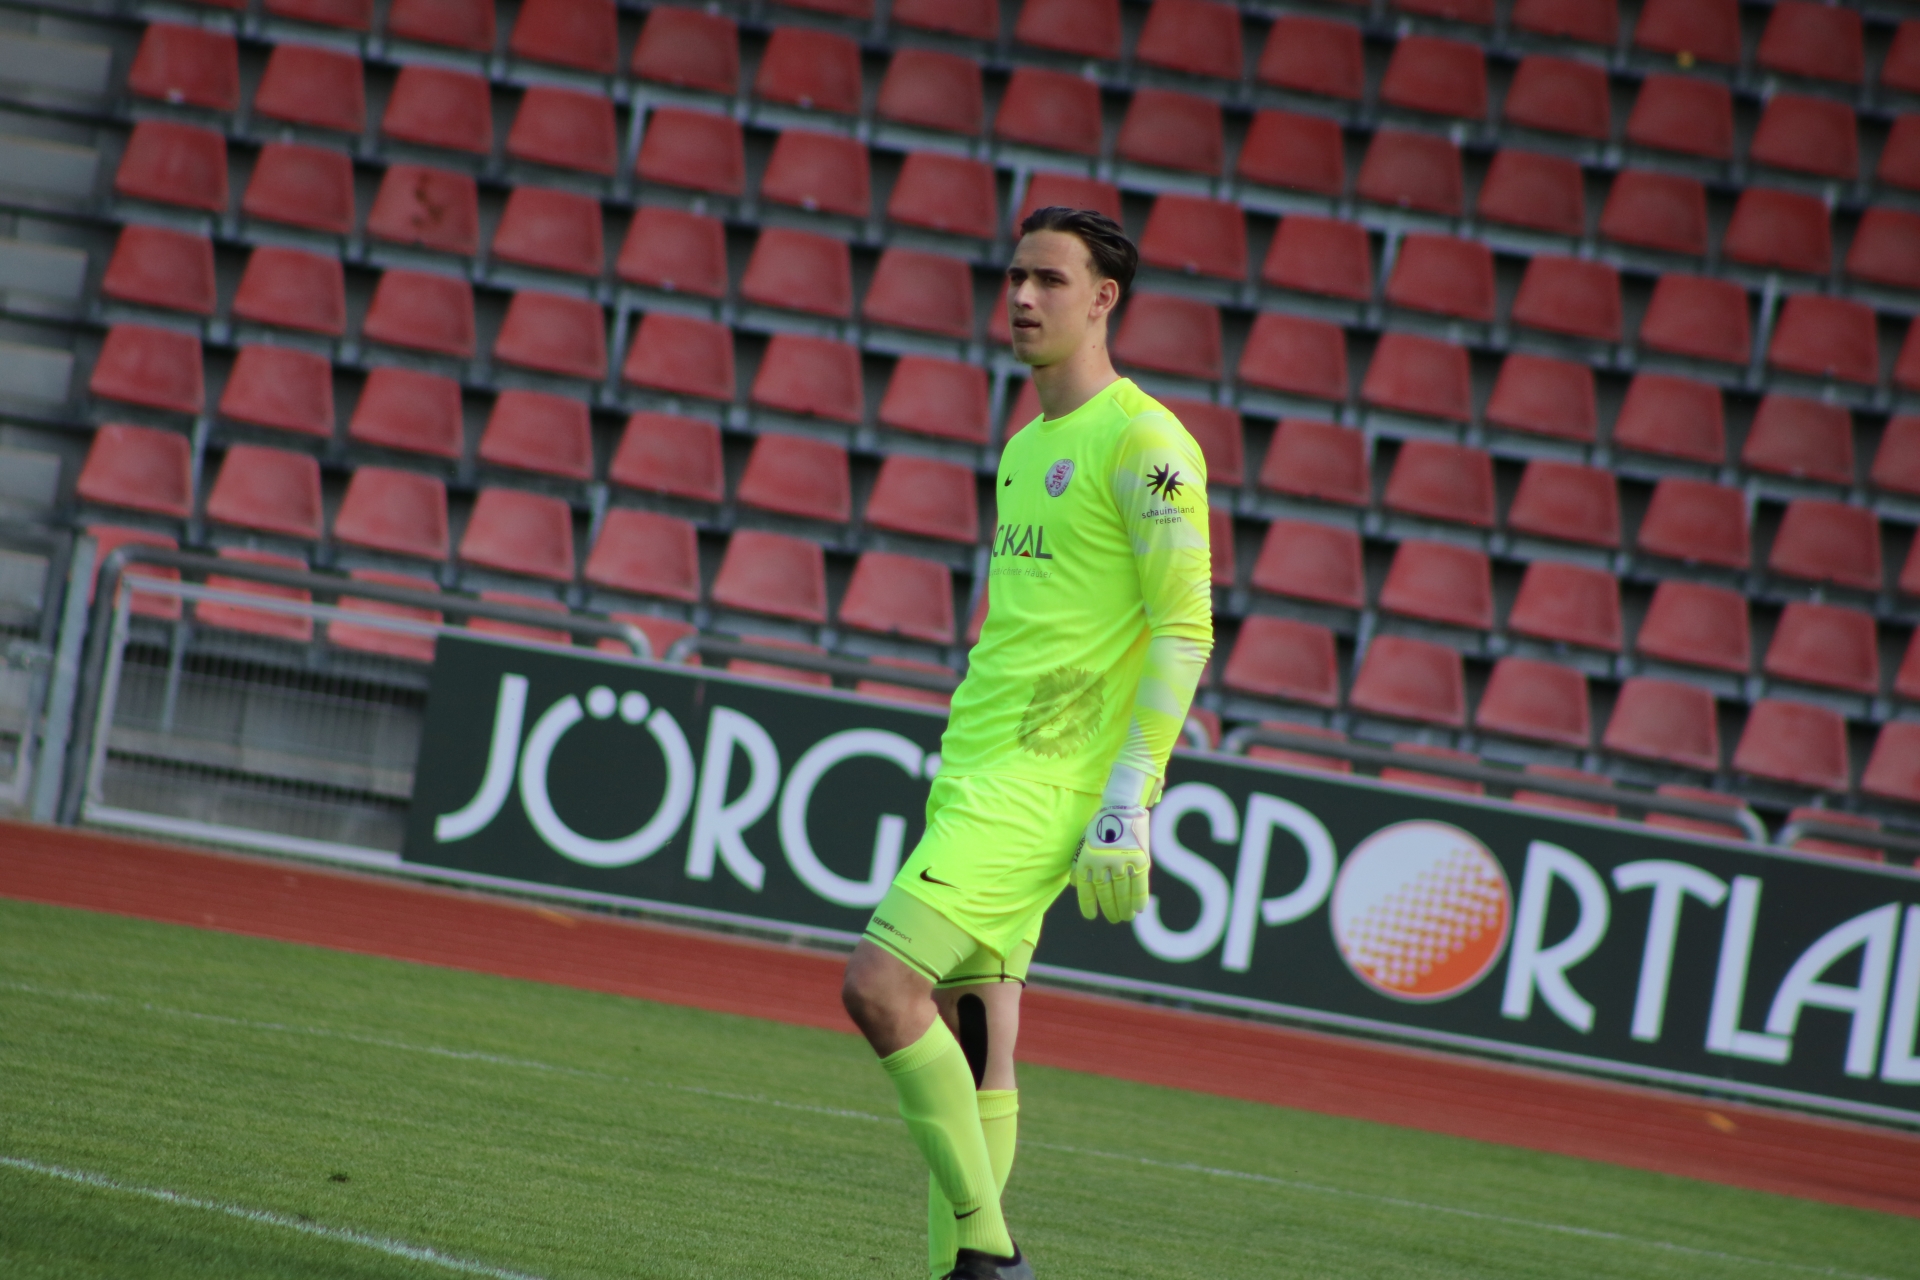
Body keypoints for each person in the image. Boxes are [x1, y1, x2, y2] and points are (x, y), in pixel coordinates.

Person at [840, 206, 1214, 1280]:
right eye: (1015, 276)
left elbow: (1184, 627)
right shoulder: (1024, 448)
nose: (1021, 297)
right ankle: (963, 1269)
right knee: (978, 1042)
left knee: (879, 985)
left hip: (1042, 783)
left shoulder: (1147, 443)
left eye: (1050, 279)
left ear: (1104, 299)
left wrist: (1129, 797)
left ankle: (993, 1255)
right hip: (977, 764)